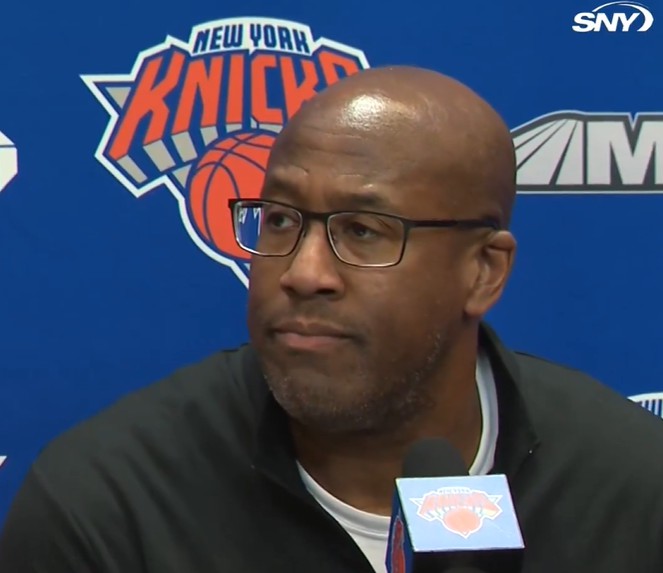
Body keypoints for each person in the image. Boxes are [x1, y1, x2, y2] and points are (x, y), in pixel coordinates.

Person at [1, 65, 663, 573]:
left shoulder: (635, 489)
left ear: (483, 271)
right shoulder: (108, 505)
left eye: (364, 230)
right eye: (280, 220)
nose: (302, 271)